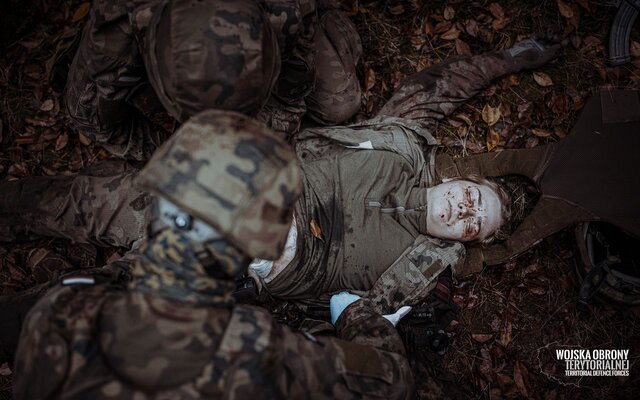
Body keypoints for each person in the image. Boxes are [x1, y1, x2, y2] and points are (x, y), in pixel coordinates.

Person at [0, 37, 562, 306]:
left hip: (234, 267)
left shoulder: (421, 271)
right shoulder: (403, 147)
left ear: (474, 243)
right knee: (77, 204)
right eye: (472, 197)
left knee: (76, 308)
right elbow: (440, 88)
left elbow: (354, 327)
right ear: (459, 180)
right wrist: (510, 60)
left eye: (473, 223)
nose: (462, 211)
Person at [11, 110, 414, 399]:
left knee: (78, 207)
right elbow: (389, 377)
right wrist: (354, 315)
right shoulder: (244, 349)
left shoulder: (55, 319)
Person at [67, 0, 362, 160]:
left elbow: (291, 90)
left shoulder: (286, 11)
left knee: (339, 103)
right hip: (140, 43)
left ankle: (329, 17)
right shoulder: (112, 45)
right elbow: (98, 125)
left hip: (282, 25)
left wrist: (273, 136)